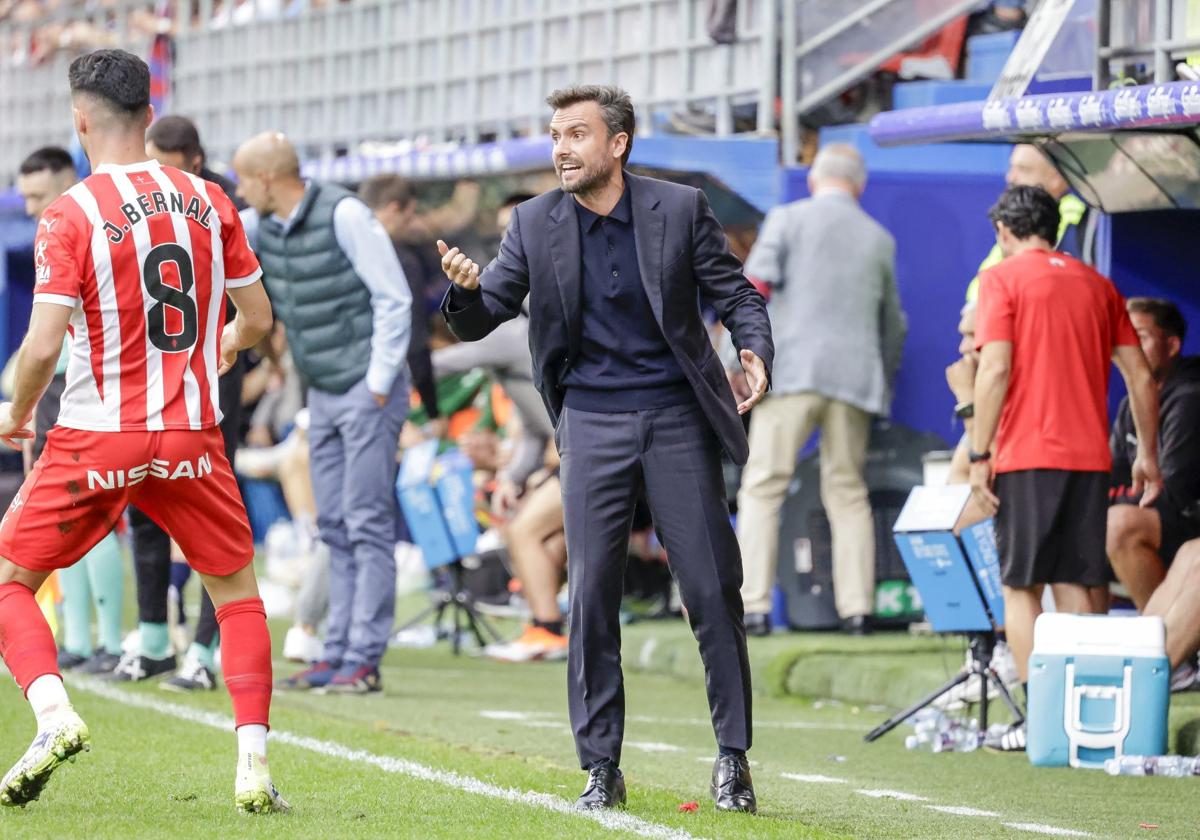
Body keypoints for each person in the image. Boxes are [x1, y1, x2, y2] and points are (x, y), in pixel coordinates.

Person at [438, 84, 773, 813]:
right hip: (590, 420)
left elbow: (737, 295)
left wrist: (754, 351)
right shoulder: (532, 223)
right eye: (556, 134)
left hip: (679, 415)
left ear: (617, 143)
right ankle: (600, 767)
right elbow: (483, 313)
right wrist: (463, 292)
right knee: (590, 594)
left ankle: (733, 759)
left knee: (712, 588)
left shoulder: (679, 209)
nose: (561, 148)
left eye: (577, 134)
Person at [0, 49, 285, 812]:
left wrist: (18, 413)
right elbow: (256, 321)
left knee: (10, 582)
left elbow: (40, 345)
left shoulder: (70, 214)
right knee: (237, 597)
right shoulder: (211, 200)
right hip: (193, 433)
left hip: (99, 433)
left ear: (79, 120)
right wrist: (222, 345)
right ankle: (252, 766)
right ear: (150, 118)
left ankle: (54, 715)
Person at [969, 185, 1161, 753]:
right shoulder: (1098, 284)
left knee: (1021, 586)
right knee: (1079, 583)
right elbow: (1142, 376)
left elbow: (995, 368)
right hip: (1090, 458)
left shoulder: (1001, 279)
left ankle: (1042, 722)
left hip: (1026, 453)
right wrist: (1148, 453)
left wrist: (980, 453)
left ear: (1004, 231)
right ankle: (1089, 717)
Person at [233, 131, 412, 695]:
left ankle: (363, 658)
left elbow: (393, 298)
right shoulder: (261, 225)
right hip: (324, 392)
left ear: (265, 179)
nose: (238, 192)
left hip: (366, 386)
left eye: (242, 179)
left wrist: (379, 384)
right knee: (332, 524)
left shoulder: (346, 215)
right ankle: (334, 654)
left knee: (365, 522)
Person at [107, 113, 253, 691]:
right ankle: (150, 640)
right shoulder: (136, 198)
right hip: (151, 372)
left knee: (209, 512)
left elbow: (255, 299)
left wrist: (242, 349)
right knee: (143, 500)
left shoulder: (221, 204)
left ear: (193, 161)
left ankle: (205, 648)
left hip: (213, 374)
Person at [735, 143, 905, 636]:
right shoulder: (879, 238)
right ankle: (857, 610)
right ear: (860, 185)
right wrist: (882, 378)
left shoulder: (787, 220)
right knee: (849, 492)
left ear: (814, 179)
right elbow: (893, 323)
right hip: (855, 380)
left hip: (791, 371)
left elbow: (753, 288)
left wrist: (736, 359)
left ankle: (754, 606)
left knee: (764, 486)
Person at [16, 146, 127, 676]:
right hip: (63, 386)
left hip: (91, 390)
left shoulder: (81, 222)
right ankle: (79, 639)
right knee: (70, 521)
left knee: (93, 518)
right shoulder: (63, 227)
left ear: (65, 181)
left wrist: (22, 395)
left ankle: (109, 638)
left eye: (39, 195)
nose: (33, 207)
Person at [1107, 298, 1200, 611]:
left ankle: (1164, 647)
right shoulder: (1128, 406)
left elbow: (1175, 493)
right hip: (1163, 517)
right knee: (1076, 522)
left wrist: (1116, 505)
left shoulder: (1190, 397)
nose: (1128, 348)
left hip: (1189, 521)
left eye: (1140, 338)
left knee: (1118, 523)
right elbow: (1113, 473)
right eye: (1124, 338)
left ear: (1172, 345)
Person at [358, 173, 442, 431]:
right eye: (410, 214)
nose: (410, 223)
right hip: (383, 390)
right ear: (395, 209)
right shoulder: (401, 262)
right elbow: (415, 338)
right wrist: (432, 410)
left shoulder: (336, 250)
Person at [966, 143, 1090, 301]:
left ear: (1057, 177)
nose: (1011, 177)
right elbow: (979, 290)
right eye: (1011, 168)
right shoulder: (1014, 221)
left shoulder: (1079, 220)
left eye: (1024, 169)